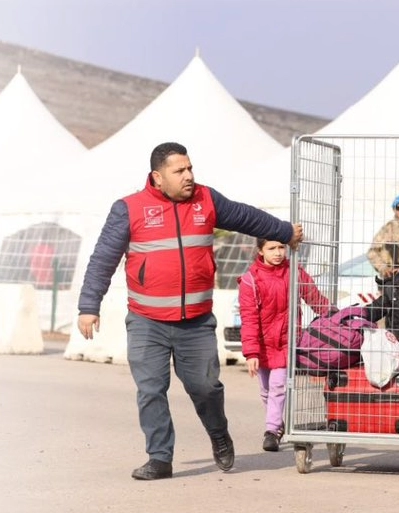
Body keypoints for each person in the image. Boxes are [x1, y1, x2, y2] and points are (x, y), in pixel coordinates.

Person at [76, 142, 303, 481]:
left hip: (195, 322)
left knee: (206, 387)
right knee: (151, 389)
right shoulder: (129, 209)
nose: (188, 176)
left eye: (190, 168)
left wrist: (283, 232)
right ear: (157, 176)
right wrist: (88, 306)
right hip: (146, 321)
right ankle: (159, 457)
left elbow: (246, 217)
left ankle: (218, 433)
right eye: (179, 171)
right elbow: (103, 258)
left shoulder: (206, 200)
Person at [239, 238, 334, 452]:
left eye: (282, 247)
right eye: (272, 248)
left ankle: (271, 431)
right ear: (260, 251)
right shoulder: (250, 280)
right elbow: (249, 319)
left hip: (286, 342)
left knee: (278, 386)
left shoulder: (295, 273)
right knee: (265, 390)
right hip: (263, 344)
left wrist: (336, 314)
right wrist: (251, 353)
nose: (278, 252)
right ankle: (277, 423)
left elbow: (315, 299)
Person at [367, 193, 399, 282]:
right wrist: (384, 268)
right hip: (389, 279)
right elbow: (372, 252)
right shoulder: (387, 230)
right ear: (394, 209)